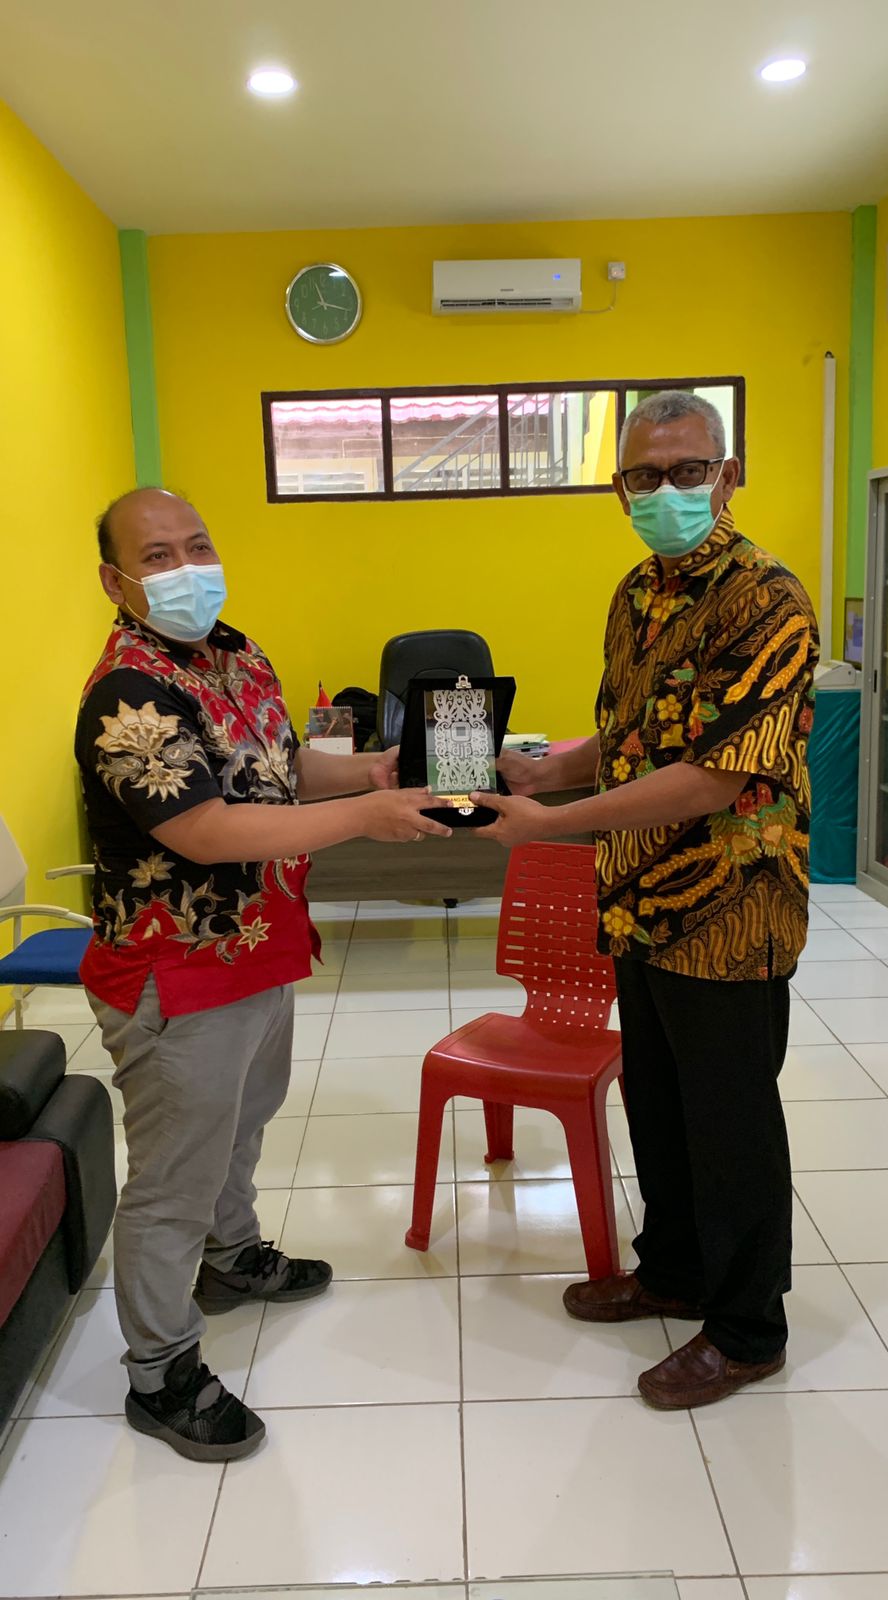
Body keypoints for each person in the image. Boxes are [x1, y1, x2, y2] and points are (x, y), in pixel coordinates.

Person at [75, 488, 451, 1461]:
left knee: (242, 1122)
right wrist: (366, 820)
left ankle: (230, 1256)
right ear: (116, 580)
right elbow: (204, 827)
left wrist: (371, 773)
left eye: (198, 544)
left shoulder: (235, 655)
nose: (187, 567)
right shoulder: (129, 694)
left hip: (255, 943)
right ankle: (160, 1371)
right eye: (158, 556)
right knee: (174, 1177)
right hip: (176, 968)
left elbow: (279, 769)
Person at [480, 391, 818, 1409]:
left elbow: (717, 775)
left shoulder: (767, 599)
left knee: (730, 1120)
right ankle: (672, 1270)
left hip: (730, 906)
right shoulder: (636, 593)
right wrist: (547, 769)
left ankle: (748, 1329)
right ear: (619, 489)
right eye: (643, 475)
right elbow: (636, 736)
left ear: (727, 474)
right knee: (659, 1103)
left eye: (687, 470)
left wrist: (551, 823)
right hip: (638, 900)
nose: (665, 490)